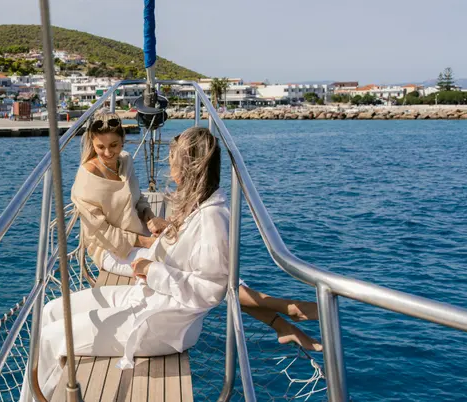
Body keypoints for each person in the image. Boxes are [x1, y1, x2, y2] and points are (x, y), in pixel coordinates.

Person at [71, 116, 322, 351]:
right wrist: (148, 241)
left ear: (123, 141)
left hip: (142, 238)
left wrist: (152, 219)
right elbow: (104, 233)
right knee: (215, 277)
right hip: (112, 249)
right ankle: (282, 310)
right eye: (100, 147)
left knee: (214, 274)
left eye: (113, 145)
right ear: (91, 144)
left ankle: (283, 323)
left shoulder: (125, 161)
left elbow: (138, 200)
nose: (107, 152)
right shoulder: (86, 180)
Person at [20, 125, 232, 401]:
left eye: (173, 161)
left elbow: (211, 289)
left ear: (188, 167)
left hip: (164, 324)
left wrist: (152, 270)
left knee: (50, 337)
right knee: (50, 311)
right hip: (147, 297)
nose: (170, 167)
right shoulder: (196, 206)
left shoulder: (212, 218)